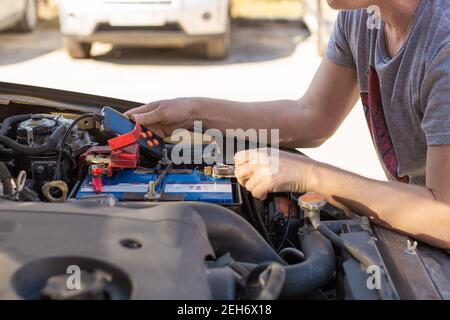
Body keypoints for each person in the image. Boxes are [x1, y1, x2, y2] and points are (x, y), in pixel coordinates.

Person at [125, 0, 450, 249]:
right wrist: (193, 113)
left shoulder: (443, 43)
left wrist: (311, 175)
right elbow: (312, 116)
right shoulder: (361, 17)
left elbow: (444, 218)